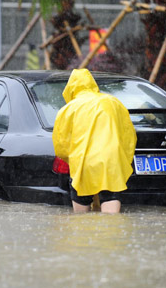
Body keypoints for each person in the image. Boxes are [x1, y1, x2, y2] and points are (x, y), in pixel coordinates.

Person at [52, 69, 137, 213]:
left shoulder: (68, 109)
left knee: (81, 223)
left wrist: (73, 161)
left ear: (70, 88)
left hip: (83, 164)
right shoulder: (113, 102)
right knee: (111, 220)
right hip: (111, 163)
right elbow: (129, 137)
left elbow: (61, 146)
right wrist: (123, 161)